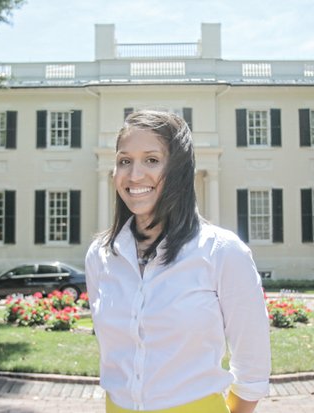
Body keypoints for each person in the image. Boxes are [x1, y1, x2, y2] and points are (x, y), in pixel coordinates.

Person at [85, 110, 271, 413]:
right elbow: (115, 357)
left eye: (152, 160)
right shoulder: (101, 256)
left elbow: (252, 370)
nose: (134, 175)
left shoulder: (222, 252)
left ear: (179, 170)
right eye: (124, 161)